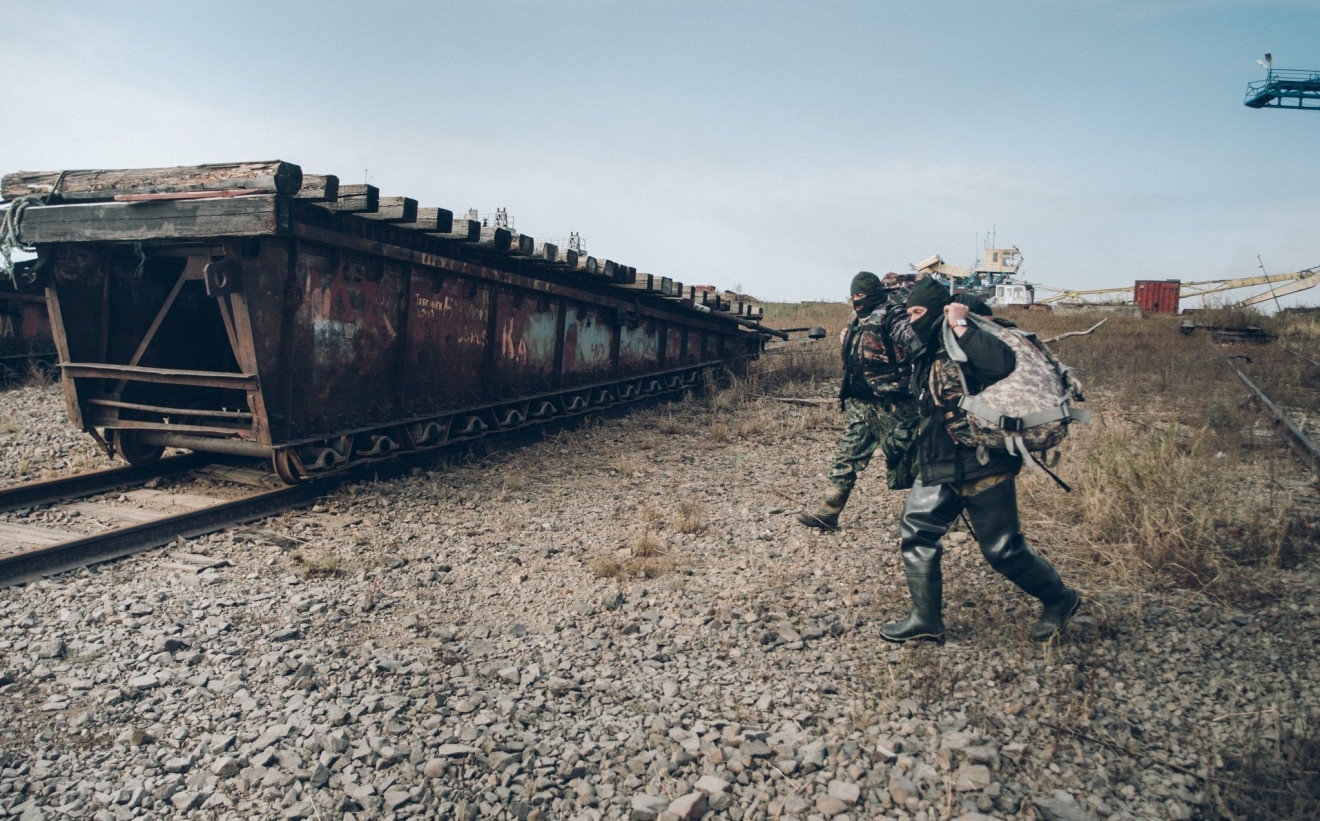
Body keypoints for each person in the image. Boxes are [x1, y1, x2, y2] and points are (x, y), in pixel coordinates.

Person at [880, 276, 1080, 643]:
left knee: (1002, 549)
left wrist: (960, 323)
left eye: (918, 311)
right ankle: (925, 620)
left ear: (941, 310)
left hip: (983, 461)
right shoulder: (929, 344)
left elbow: (999, 363)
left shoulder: (964, 334)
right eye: (909, 312)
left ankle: (1061, 600)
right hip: (942, 458)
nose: (912, 319)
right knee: (916, 530)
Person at [798, 271, 919, 531]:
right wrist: (847, 340)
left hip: (893, 404)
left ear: (875, 292)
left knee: (911, 459)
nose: (856, 299)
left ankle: (927, 515)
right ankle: (828, 512)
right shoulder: (855, 318)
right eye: (853, 295)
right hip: (860, 405)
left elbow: (913, 340)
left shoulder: (893, 315)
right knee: (846, 456)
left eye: (861, 295)